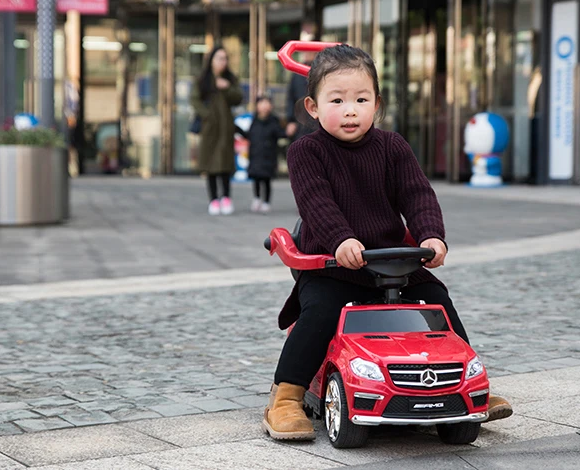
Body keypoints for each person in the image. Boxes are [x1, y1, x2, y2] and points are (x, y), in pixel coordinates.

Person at [262, 45, 512, 441]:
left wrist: (431, 234)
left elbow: (417, 194)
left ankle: (464, 383)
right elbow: (316, 203)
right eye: (337, 100)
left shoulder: (392, 147)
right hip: (332, 264)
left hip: (391, 261)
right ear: (312, 106)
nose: (350, 110)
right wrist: (341, 239)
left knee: (436, 302)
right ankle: (286, 397)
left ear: (376, 104)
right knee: (322, 311)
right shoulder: (306, 152)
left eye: (361, 100)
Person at [190, 46, 243, 215]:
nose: (223, 62)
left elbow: (238, 98)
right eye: (219, 58)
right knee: (210, 162)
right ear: (211, 60)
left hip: (226, 127)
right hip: (209, 128)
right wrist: (206, 115)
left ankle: (226, 197)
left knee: (225, 163)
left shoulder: (230, 79)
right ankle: (213, 199)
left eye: (225, 58)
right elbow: (194, 100)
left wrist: (226, 87)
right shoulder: (202, 79)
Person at [235, 95, 286, 213]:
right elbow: (249, 135)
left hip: (269, 155)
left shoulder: (274, 121)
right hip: (255, 155)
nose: (264, 106)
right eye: (261, 103)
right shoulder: (254, 120)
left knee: (267, 180)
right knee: (256, 179)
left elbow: (281, 134)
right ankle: (257, 199)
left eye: (266, 103)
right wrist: (237, 130)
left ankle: (266, 202)